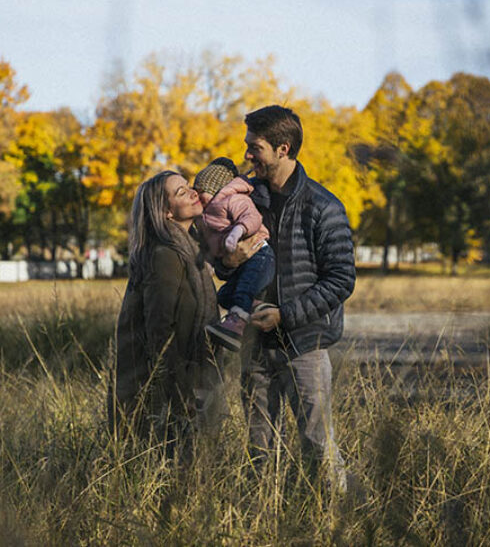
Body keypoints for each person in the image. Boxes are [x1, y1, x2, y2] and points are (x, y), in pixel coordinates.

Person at [229, 105, 356, 489]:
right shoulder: (249, 203)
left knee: (317, 444)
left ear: (283, 149)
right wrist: (229, 262)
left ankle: (334, 517)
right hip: (256, 344)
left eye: (256, 147)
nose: (248, 154)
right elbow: (230, 266)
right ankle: (259, 522)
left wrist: (285, 315)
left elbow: (341, 280)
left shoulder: (324, 206)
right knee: (258, 448)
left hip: (305, 345)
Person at [108, 170, 224, 456]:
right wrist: (182, 393)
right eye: (182, 192)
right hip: (163, 391)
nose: (194, 193)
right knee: (170, 465)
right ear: (166, 212)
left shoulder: (190, 249)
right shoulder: (166, 255)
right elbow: (160, 332)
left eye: (189, 187)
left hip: (184, 380)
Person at [191, 156, 275, 352]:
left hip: (260, 255)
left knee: (244, 289)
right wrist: (212, 262)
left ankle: (235, 327)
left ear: (214, 189)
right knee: (224, 295)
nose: (198, 195)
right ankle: (256, 307)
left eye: (201, 191)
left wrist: (238, 232)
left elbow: (252, 218)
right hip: (241, 262)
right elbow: (210, 246)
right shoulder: (204, 217)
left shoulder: (234, 200)